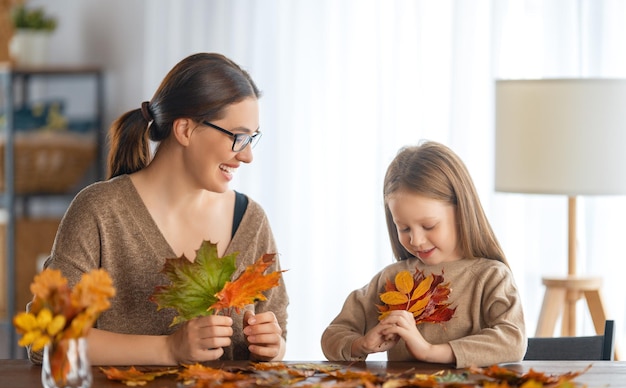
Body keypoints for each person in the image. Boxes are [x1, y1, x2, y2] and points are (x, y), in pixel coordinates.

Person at [27, 52, 288, 366]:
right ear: (185, 130)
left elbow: (279, 337)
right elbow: (49, 338)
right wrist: (169, 350)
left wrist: (273, 347)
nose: (247, 156)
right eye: (238, 137)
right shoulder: (99, 211)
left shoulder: (251, 220)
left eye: (252, 138)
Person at [321, 140, 526, 368]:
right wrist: (361, 344)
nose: (416, 240)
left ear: (462, 212)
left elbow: (512, 341)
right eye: (404, 228)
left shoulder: (491, 276)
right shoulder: (391, 279)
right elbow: (334, 334)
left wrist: (430, 352)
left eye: (429, 226)